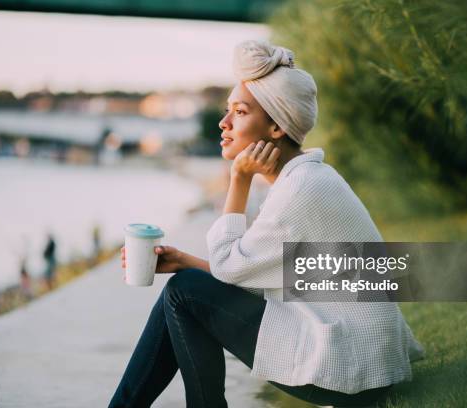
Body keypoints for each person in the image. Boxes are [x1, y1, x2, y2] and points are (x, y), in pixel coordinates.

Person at [109, 40, 424, 408]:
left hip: (349, 369)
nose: (223, 123)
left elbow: (231, 268)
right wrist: (186, 261)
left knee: (183, 292)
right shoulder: (305, 178)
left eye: (239, 112)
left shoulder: (301, 189)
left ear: (276, 127)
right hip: (363, 361)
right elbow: (259, 276)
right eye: (227, 110)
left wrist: (238, 179)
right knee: (182, 291)